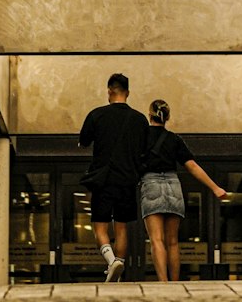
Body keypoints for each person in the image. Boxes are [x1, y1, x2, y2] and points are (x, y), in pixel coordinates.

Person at [140, 99, 227, 282]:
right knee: (173, 241)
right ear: (167, 117)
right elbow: (192, 166)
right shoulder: (174, 139)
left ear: (150, 115)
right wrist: (215, 187)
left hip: (151, 183)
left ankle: (163, 282)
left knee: (157, 240)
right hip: (173, 184)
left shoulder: (141, 137)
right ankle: (175, 283)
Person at [78, 72, 149, 282]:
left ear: (109, 90)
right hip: (127, 180)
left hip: (103, 178)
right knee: (122, 228)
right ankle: (117, 273)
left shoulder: (97, 115)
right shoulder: (139, 119)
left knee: (99, 227)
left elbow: (83, 141)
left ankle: (111, 262)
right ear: (128, 92)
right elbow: (145, 150)